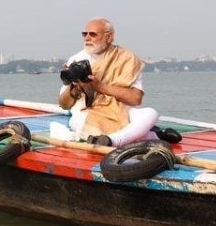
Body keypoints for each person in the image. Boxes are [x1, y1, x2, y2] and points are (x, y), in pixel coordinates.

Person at [57, 17, 160, 147]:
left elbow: (135, 99)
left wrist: (100, 86)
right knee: (87, 126)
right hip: (88, 111)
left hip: (121, 110)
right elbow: (64, 105)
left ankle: (112, 140)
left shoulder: (126, 58)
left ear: (109, 37)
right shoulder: (76, 60)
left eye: (93, 34)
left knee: (150, 113)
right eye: (85, 34)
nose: (87, 38)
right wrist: (73, 87)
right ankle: (150, 136)